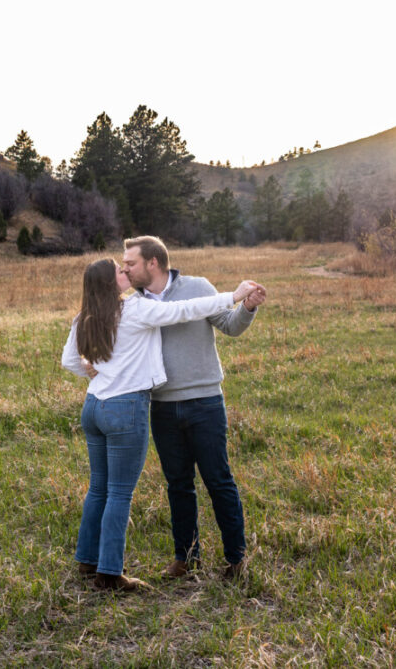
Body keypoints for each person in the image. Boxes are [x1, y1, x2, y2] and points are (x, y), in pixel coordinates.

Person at [61, 258, 259, 592]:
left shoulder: (86, 316)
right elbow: (184, 310)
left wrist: (92, 371)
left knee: (99, 487)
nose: (127, 273)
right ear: (111, 284)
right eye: (120, 272)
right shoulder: (134, 310)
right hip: (124, 408)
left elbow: (69, 360)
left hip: (93, 406)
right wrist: (233, 295)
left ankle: (86, 560)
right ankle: (109, 573)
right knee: (119, 493)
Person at [120, 236, 266, 580]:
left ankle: (236, 559)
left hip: (205, 403)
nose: (125, 268)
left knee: (219, 480)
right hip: (162, 408)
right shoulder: (133, 304)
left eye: (131, 263)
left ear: (153, 263)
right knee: (178, 484)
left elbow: (230, 326)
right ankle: (186, 559)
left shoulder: (198, 287)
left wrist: (246, 308)